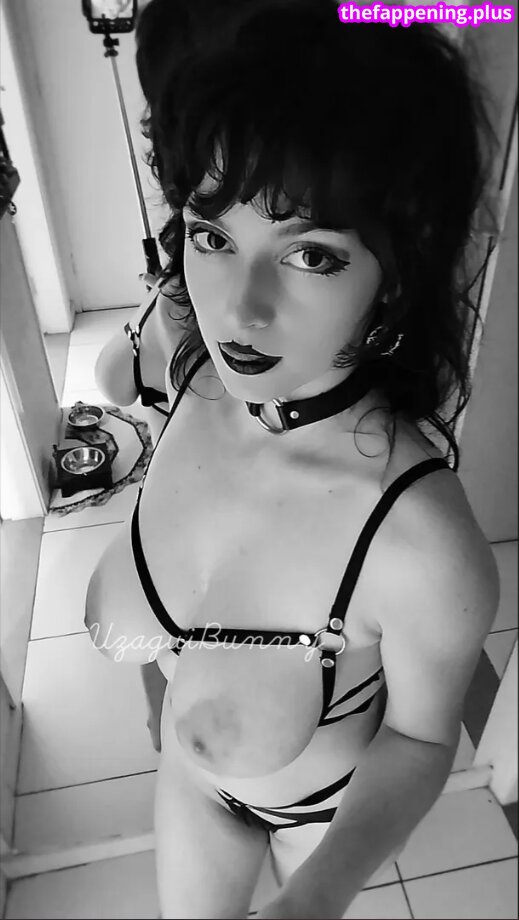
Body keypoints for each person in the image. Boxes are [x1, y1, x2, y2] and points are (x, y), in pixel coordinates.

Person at [86, 2, 501, 917]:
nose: (240, 309)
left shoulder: (419, 542)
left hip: (318, 813)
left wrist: (315, 898)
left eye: (309, 254)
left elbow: (420, 742)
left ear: (396, 273)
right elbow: (123, 367)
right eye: (213, 237)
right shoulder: (194, 374)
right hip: (189, 785)